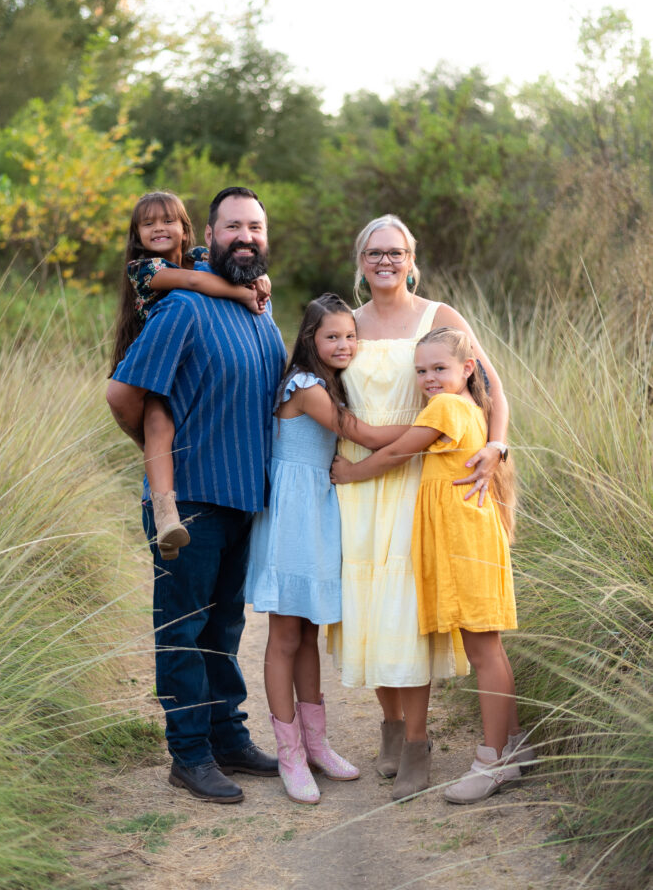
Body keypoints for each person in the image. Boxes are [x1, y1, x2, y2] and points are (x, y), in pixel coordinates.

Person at [106, 186, 287, 804]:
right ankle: (189, 754)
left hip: (244, 497)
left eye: (256, 227)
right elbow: (124, 393)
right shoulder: (182, 304)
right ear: (207, 236)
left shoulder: (261, 309)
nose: (246, 236)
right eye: (233, 226)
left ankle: (227, 735)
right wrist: (159, 462)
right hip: (190, 502)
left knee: (226, 627)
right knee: (183, 630)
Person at [325, 213, 509, 802]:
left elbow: (493, 389)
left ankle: (419, 742)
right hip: (359, 493)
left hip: (419, 482)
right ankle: (392, 726)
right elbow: (317, 390)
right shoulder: (343, 324)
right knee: (367, 608)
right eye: (374, 251)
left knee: (404, 612)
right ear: (360, 260)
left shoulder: (440, 319)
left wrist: (497, 448)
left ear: (411, 257)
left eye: (396, 251)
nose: (385, 260)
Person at [246, 293, 409, 804]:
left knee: (310, 630)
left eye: (349, 336)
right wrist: (436, 426)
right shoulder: (306, 385)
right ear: (311, 340)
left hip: (318, 510)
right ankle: (290, 755)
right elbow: (359, 433)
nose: (343, 344)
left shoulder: (332, 383)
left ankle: (316, 744)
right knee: (285, 635)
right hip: (293, 514)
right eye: (331, 336)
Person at [109, 190, 271, 560]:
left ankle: (167, 498)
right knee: (158, 425)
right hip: (155, 367)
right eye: (147, 224)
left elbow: (236, 266)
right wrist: (245, 295)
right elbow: (196, 285)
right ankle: (167, 514)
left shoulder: (199, 257)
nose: (158, 229)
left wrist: (263, 282)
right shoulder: (146, 269)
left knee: (163, 430)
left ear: (186, 229)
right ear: (137, 235)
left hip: (181, 369)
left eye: (167, 221)